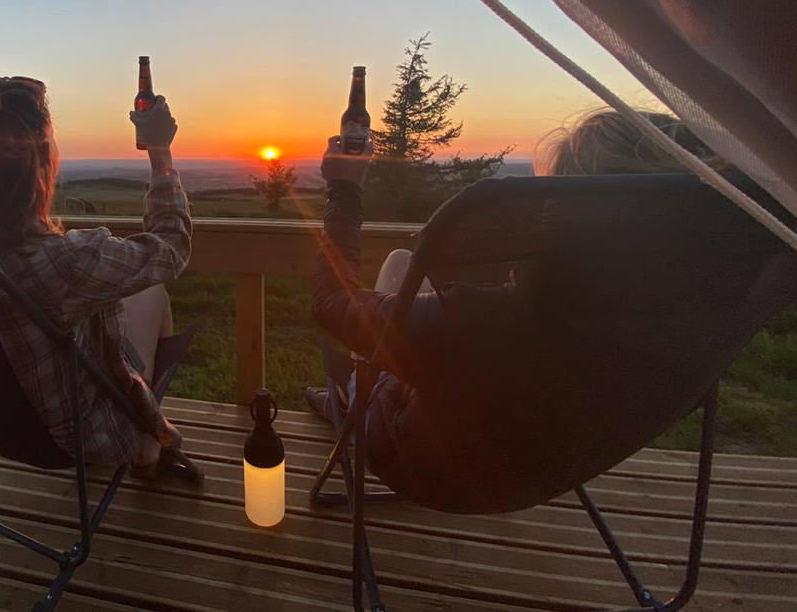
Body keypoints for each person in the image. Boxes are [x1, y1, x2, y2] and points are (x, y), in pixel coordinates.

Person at [306, 109, 725, 470]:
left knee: (376, 338)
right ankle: (347, 394)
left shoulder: (495, 321)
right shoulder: (691, 320)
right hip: (553, 462)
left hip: (431, 460)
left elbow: (331, 302)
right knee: (401, 264)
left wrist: (344, 190)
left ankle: (348, 400)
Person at [0, 73, 198, 480]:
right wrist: (160, 152)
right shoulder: (64, 261)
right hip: (75, 436)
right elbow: (172, 248)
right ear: (41, 159)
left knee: (142, 296)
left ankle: (149, 433)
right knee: (154, 291)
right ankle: (147, 446)